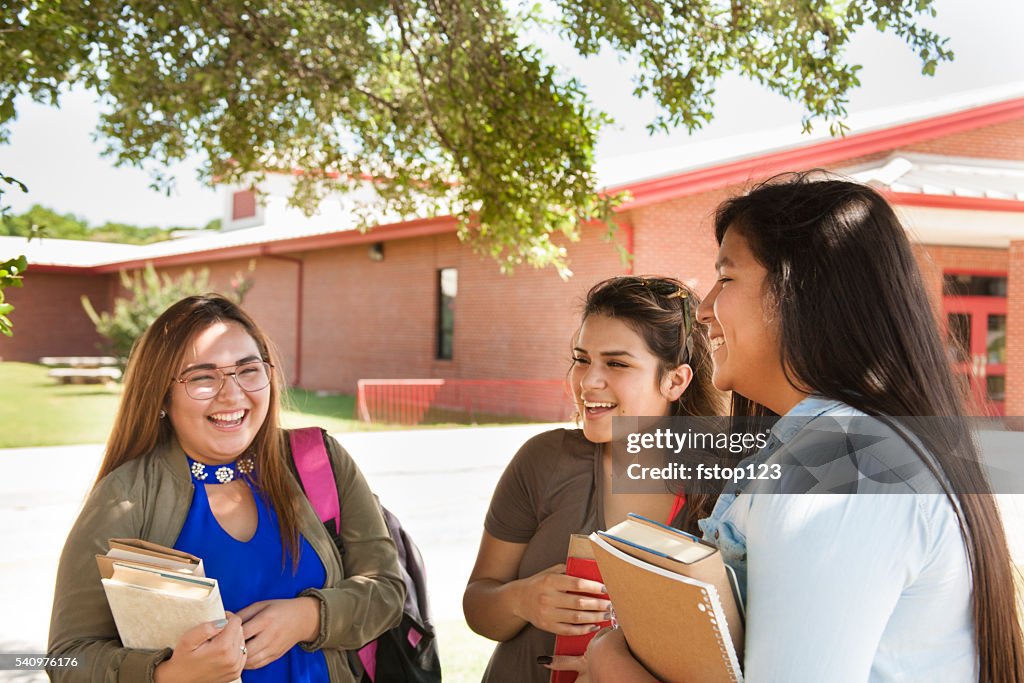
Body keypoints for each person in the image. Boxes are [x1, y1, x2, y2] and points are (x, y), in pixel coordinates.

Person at [586, 173, 1024, 681]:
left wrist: (609, 659)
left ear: (804, 294)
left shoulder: (840, 467)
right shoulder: (841, 449)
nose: (703, 310)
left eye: (726, 278)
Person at [47, 294, 406, 683]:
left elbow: (387, 592)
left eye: (248, 370)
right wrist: (166, 675)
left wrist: (310, 617)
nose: (232, 394)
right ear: (162, 396)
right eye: (202, 377)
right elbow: (65, 659)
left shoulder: (321, 462)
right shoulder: (124, 497)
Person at [462, 275, 724, 683]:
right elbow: (478, 605)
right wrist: (522, 600)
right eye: (581, 359)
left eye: (616, 363)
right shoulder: (543, 460)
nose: (587, 381)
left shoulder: (721, 488)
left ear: (675, 380)